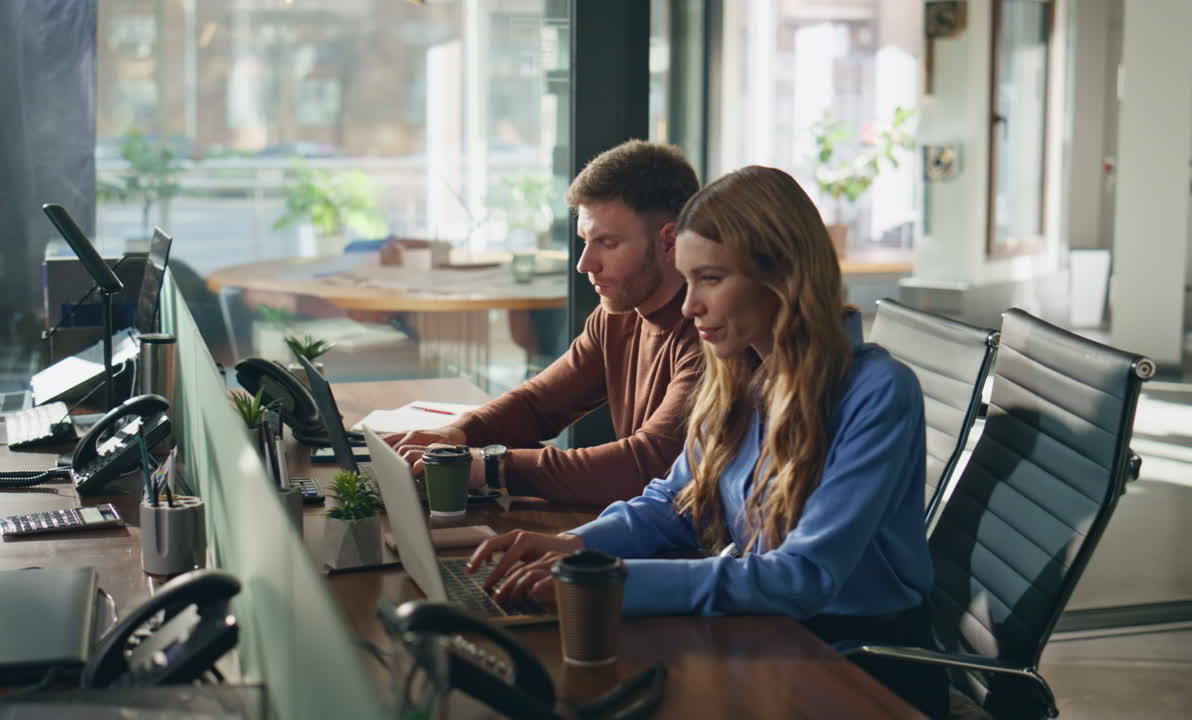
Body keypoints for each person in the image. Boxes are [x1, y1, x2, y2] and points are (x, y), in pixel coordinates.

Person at [464, 166, 948, 717]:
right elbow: (673, 506)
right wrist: (576, 548)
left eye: (711, 279)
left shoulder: (878, 392)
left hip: (858, 667)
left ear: (782, 275)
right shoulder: (741, 375)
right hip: (771, 637)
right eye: (687, 279)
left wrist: (612, 582)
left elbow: (803, 577)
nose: (689, 305)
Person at [387, 140, 703, 505]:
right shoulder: (615, 317)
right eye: (586, 240)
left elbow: (644, 466)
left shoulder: (710, 333)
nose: (585, 264)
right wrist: (456, 434)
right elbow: (538, 404)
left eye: (608, 243)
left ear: (669, 241)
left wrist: (488, 466)